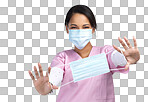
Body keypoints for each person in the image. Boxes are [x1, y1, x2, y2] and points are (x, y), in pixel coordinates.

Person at [28, 4, 140, 102]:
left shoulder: (105, 53)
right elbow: (55, 76)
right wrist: (46, 88)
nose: (80, 31)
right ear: (67, 29)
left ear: (93, 29)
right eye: (74, 27)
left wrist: (127, 58)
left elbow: (115, 58)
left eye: (85, 27)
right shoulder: (62, 58)